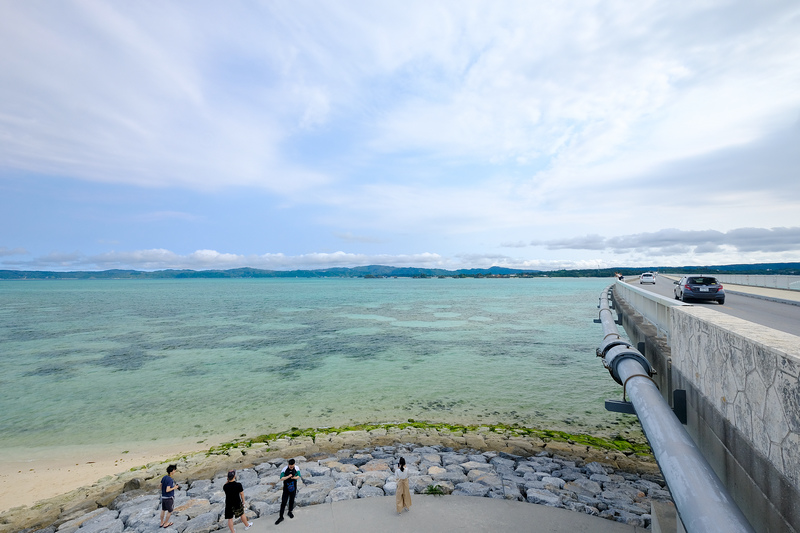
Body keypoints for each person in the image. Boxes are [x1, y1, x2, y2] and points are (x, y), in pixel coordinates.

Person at [275, 459, 301, 525]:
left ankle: (290, 511)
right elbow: (281, 478)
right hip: (286, 488)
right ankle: (281, 517)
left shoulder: (297, 468)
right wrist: (288, 477)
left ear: (294, 464)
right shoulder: (284, 469)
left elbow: (298, 476)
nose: (291, 467)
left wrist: (294, 478)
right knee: (284, 502)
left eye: (292, 466)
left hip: (293, 487)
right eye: (290, 466)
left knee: (292, 500)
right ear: (288, 465)